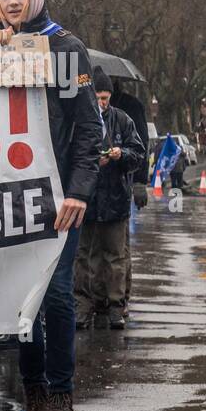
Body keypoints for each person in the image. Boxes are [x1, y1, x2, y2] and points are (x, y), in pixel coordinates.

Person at [0, 0, 102, 411]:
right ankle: (31, 390)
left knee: (55, 297)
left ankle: (61, 396)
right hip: (11, 200)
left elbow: (89, 129)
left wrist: (78, 192)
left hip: (58, 199)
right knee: (22, 302)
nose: (13, 2)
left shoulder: (66, 48)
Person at [74, 68, 145, 329]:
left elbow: (137, 153)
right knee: (84, 256)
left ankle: (116, 306)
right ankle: (84, 305)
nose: (102, 103)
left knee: (115, 257)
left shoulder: (122, 120)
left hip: (115, 198)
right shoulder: (80, 120)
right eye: (98, 97)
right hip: (87, 198)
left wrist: (120, 154)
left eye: (105, 98)